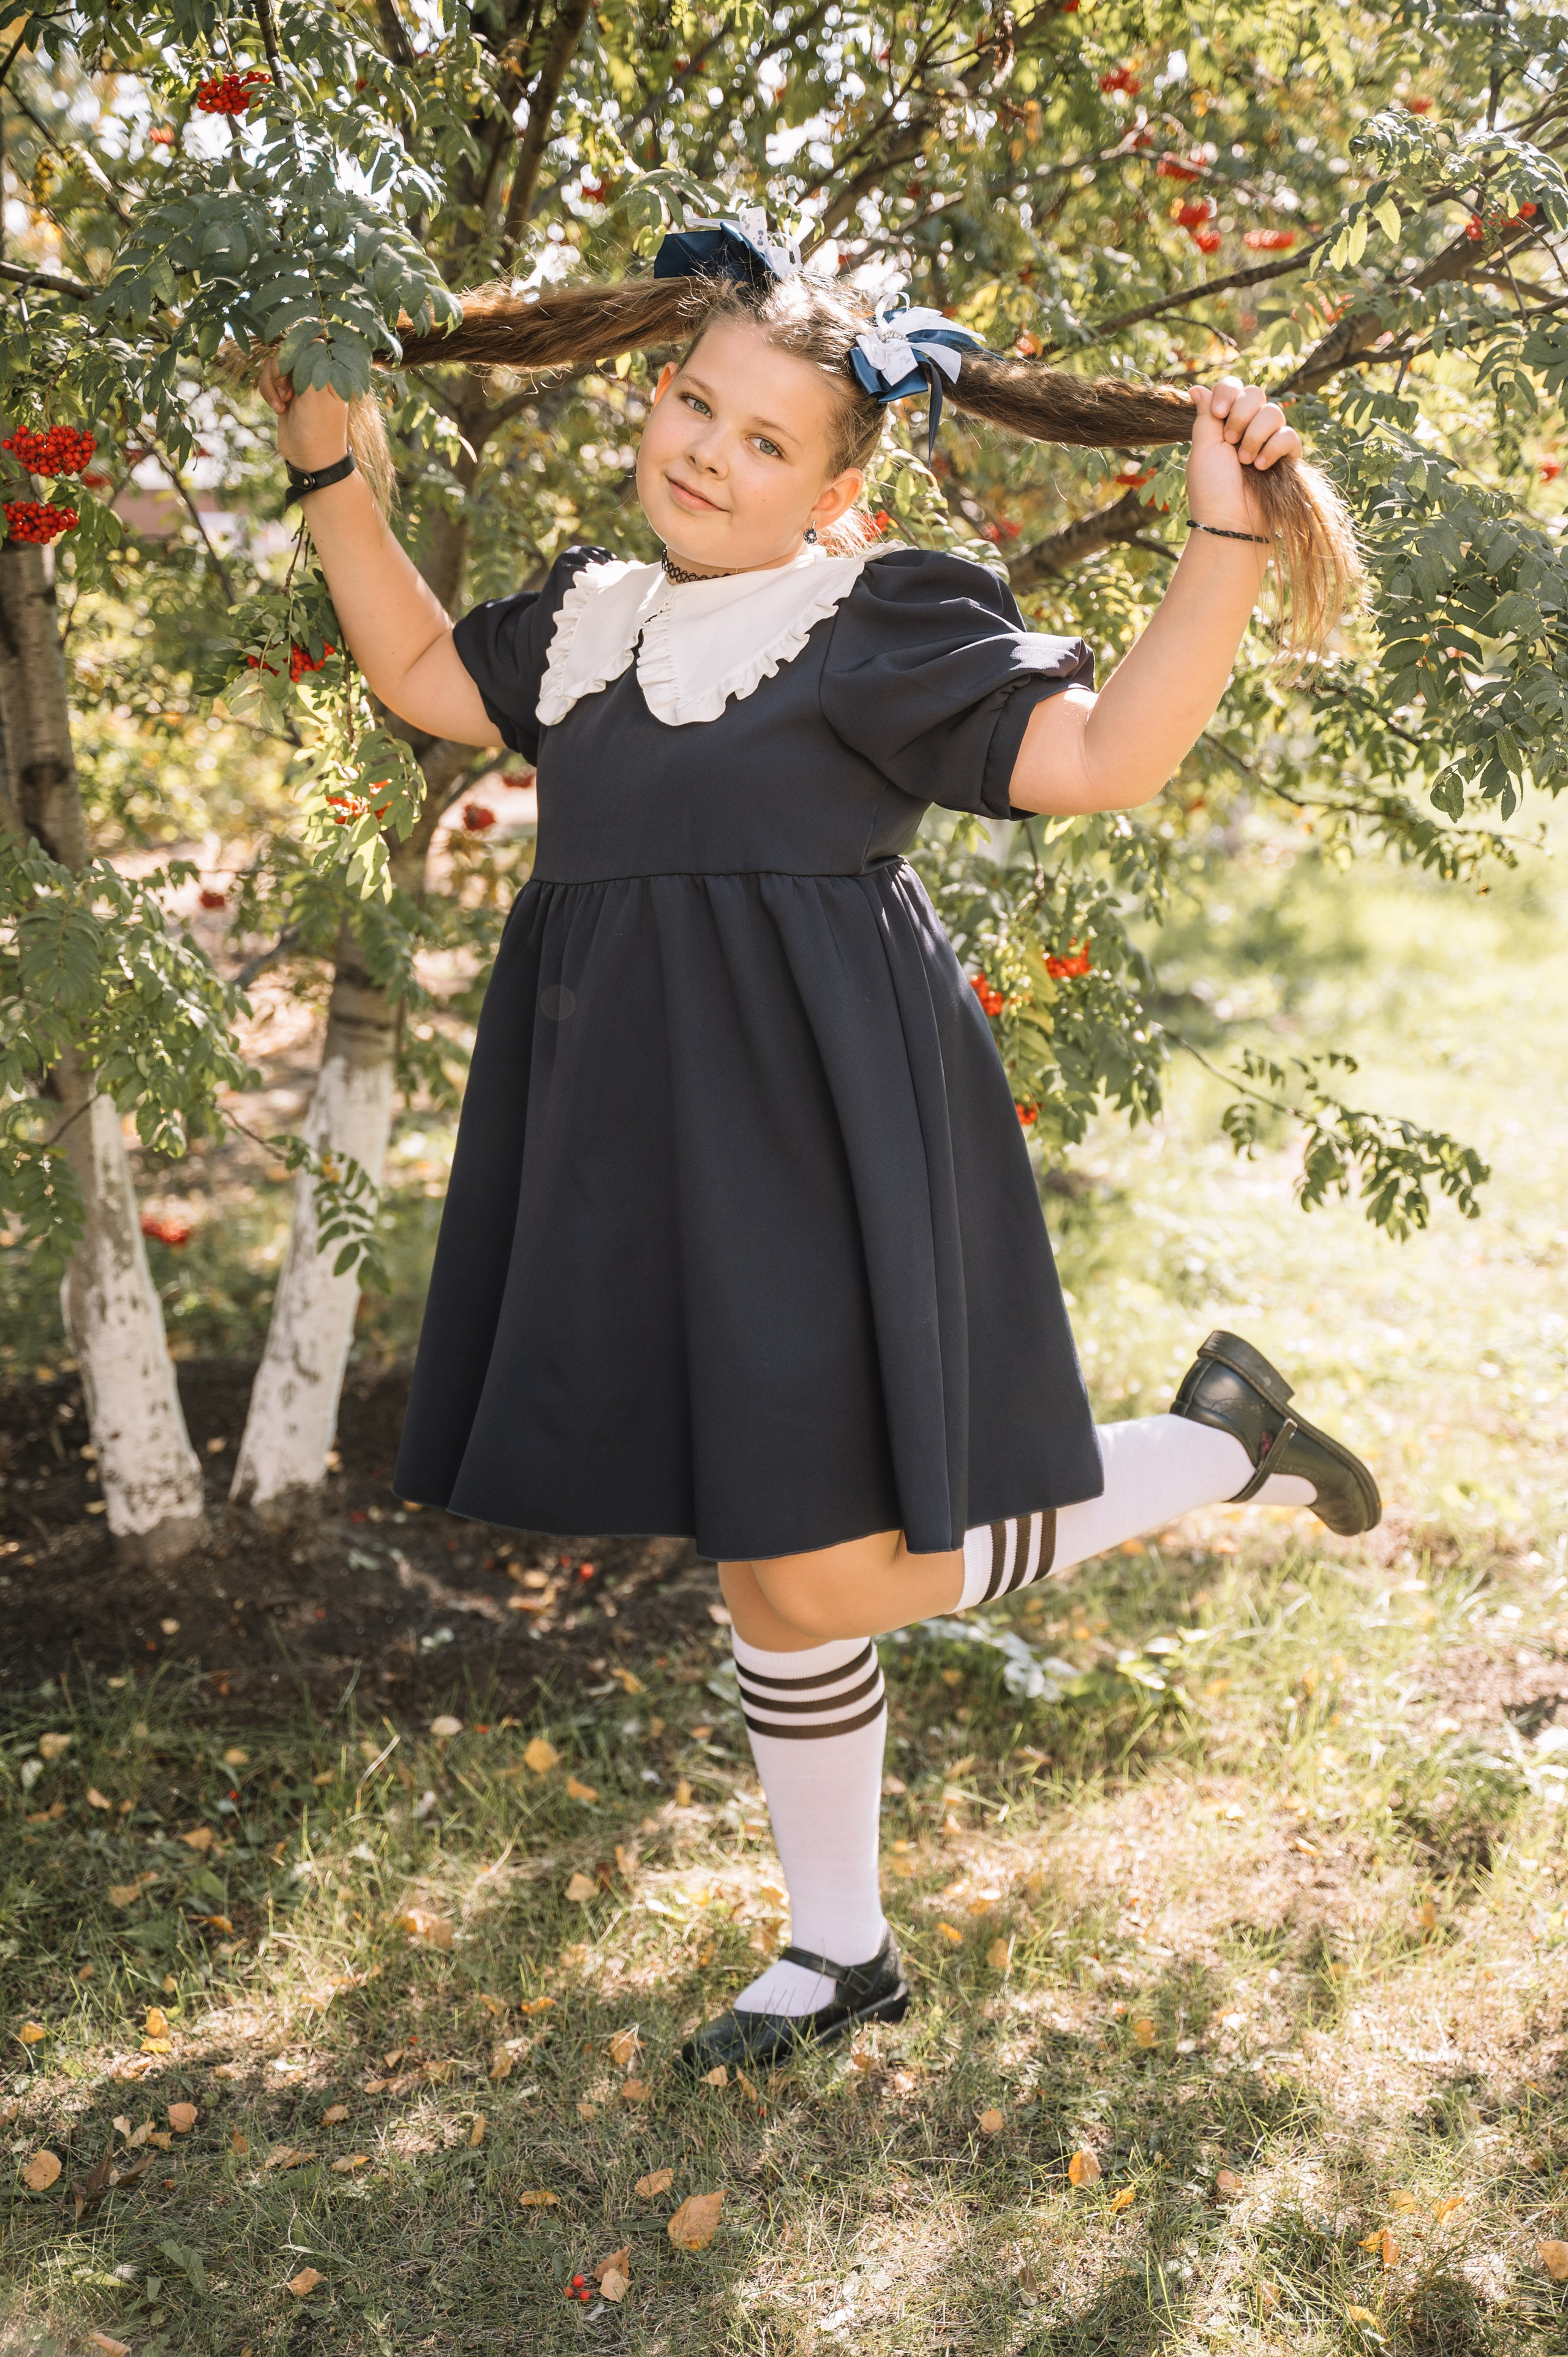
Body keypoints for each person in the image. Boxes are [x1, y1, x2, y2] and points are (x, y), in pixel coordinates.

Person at [258, 214, 1379, 2075]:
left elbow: (1107, 759)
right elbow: (422, 682)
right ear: (653, 397)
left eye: (766, 440)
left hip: (822, 1131)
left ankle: (1209, 1449)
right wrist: (325, 466)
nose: (709, 451)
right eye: (694, 406)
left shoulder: (864, 628)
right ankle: (839, 1952)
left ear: (839, 481)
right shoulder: (594, 623)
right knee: (770, 1568)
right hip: (642, 1136)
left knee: (834, 1567)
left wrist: (1227, 539)